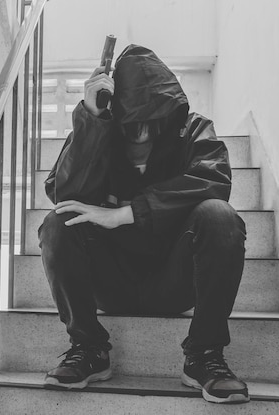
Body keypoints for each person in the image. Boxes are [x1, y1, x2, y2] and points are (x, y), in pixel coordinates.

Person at [38, 44, 250, 404]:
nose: (141, 135)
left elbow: (215, 180)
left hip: (175, 283)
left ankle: (204, 356)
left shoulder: (194, 129)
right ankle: (89, 348)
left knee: (220, 216)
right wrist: (91, 119)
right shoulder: (96, 133)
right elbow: (64, 193)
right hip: (111, 284)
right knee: (59, 222)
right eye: (132, 124)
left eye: (153, 123)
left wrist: (126, 212)